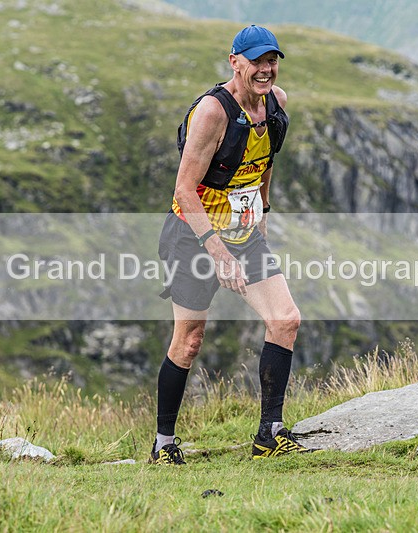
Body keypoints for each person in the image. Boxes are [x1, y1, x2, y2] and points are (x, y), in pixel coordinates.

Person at [151, 25, 314, 464]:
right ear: (234, 61)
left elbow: (264, 163)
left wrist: (261, 216)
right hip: (193, 233)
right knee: (189, 339)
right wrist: (218, 255)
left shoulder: (276, 104)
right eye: (257, 61)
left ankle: (270, 432)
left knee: (285, 319)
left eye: (272, 61)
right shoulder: (212, 112)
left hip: (243, 230)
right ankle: (164, 443)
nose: (266, 70)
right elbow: (185, 190)